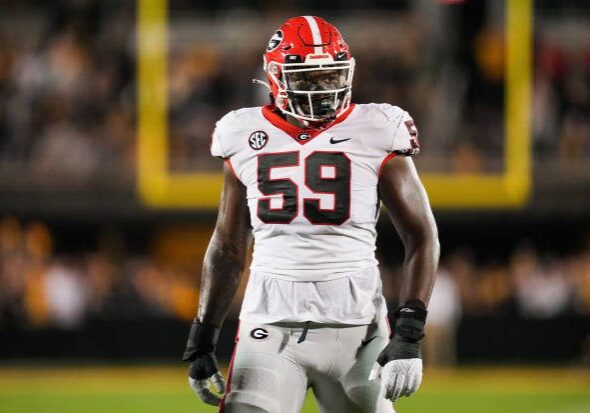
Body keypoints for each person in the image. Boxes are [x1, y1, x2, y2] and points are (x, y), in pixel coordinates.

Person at [182, 16, 439, 413]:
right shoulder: (241, 133)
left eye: (330, 76)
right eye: (309, 78)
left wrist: (409, 330)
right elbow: (228, 246)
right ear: (276, 78)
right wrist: (201, 338)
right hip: (269, 328)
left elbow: (422, 236)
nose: (323, 88)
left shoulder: (376, 127)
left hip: (358, 332)